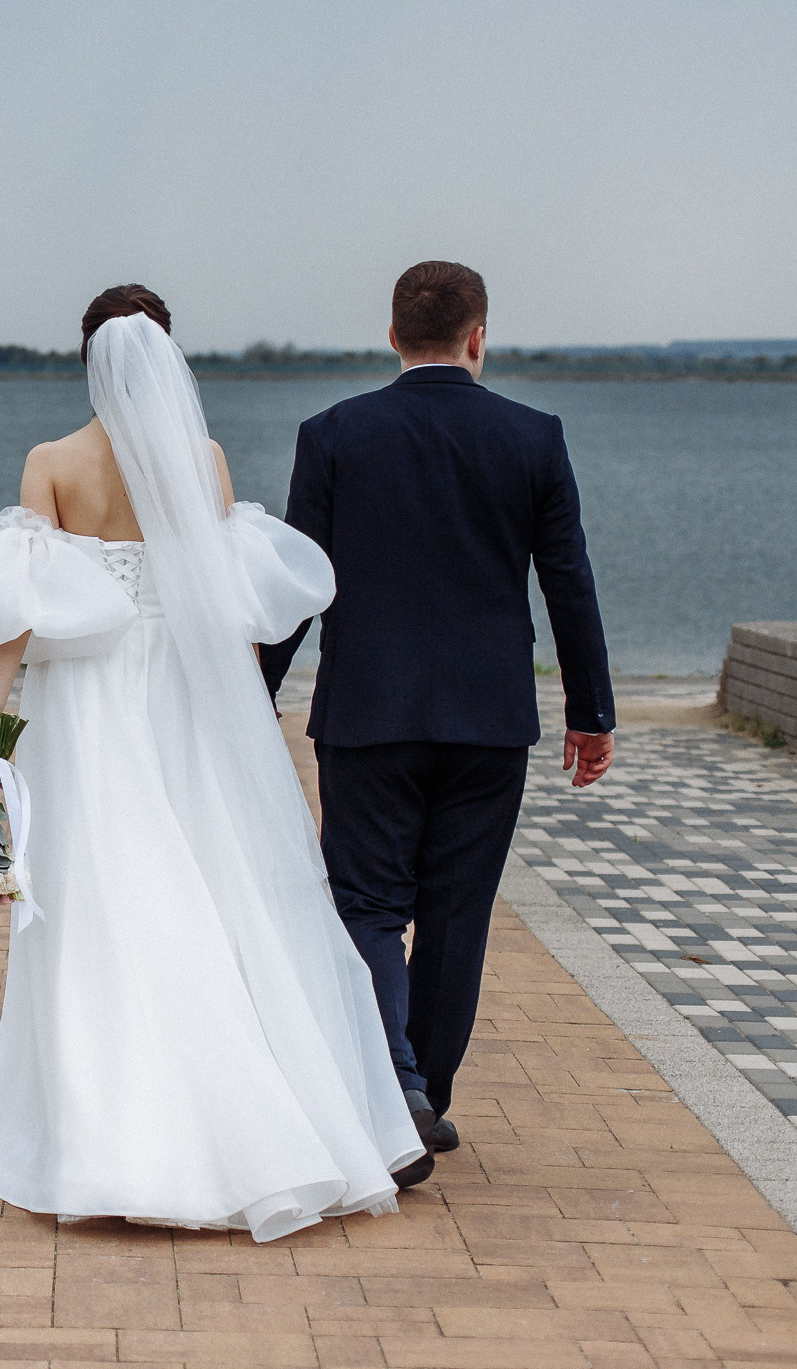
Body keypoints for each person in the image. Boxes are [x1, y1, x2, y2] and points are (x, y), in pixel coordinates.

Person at [0, 286, 426, 1241]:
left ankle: (112, 1133)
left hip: (90, 701)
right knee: (210, 880)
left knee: (104, 895)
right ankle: (250, 1114)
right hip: (188, 695)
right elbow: (230, 609)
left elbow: (18, 619)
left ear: (87, 357)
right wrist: (247, 723)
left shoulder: (52, 464)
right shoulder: (203, 462)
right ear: (166, 359)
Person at [260, 260, 614, 1177]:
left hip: (368, 715)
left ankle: (396, 1092)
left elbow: (300, 587)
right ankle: (422, 1097)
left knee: (368, 907)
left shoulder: (333, 434)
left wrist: (250, 690)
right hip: (489, 719)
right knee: (458, 915)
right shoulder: (533, 436)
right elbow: (566, 578)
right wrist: (591, 710)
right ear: (479, 336)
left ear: (391, 337)